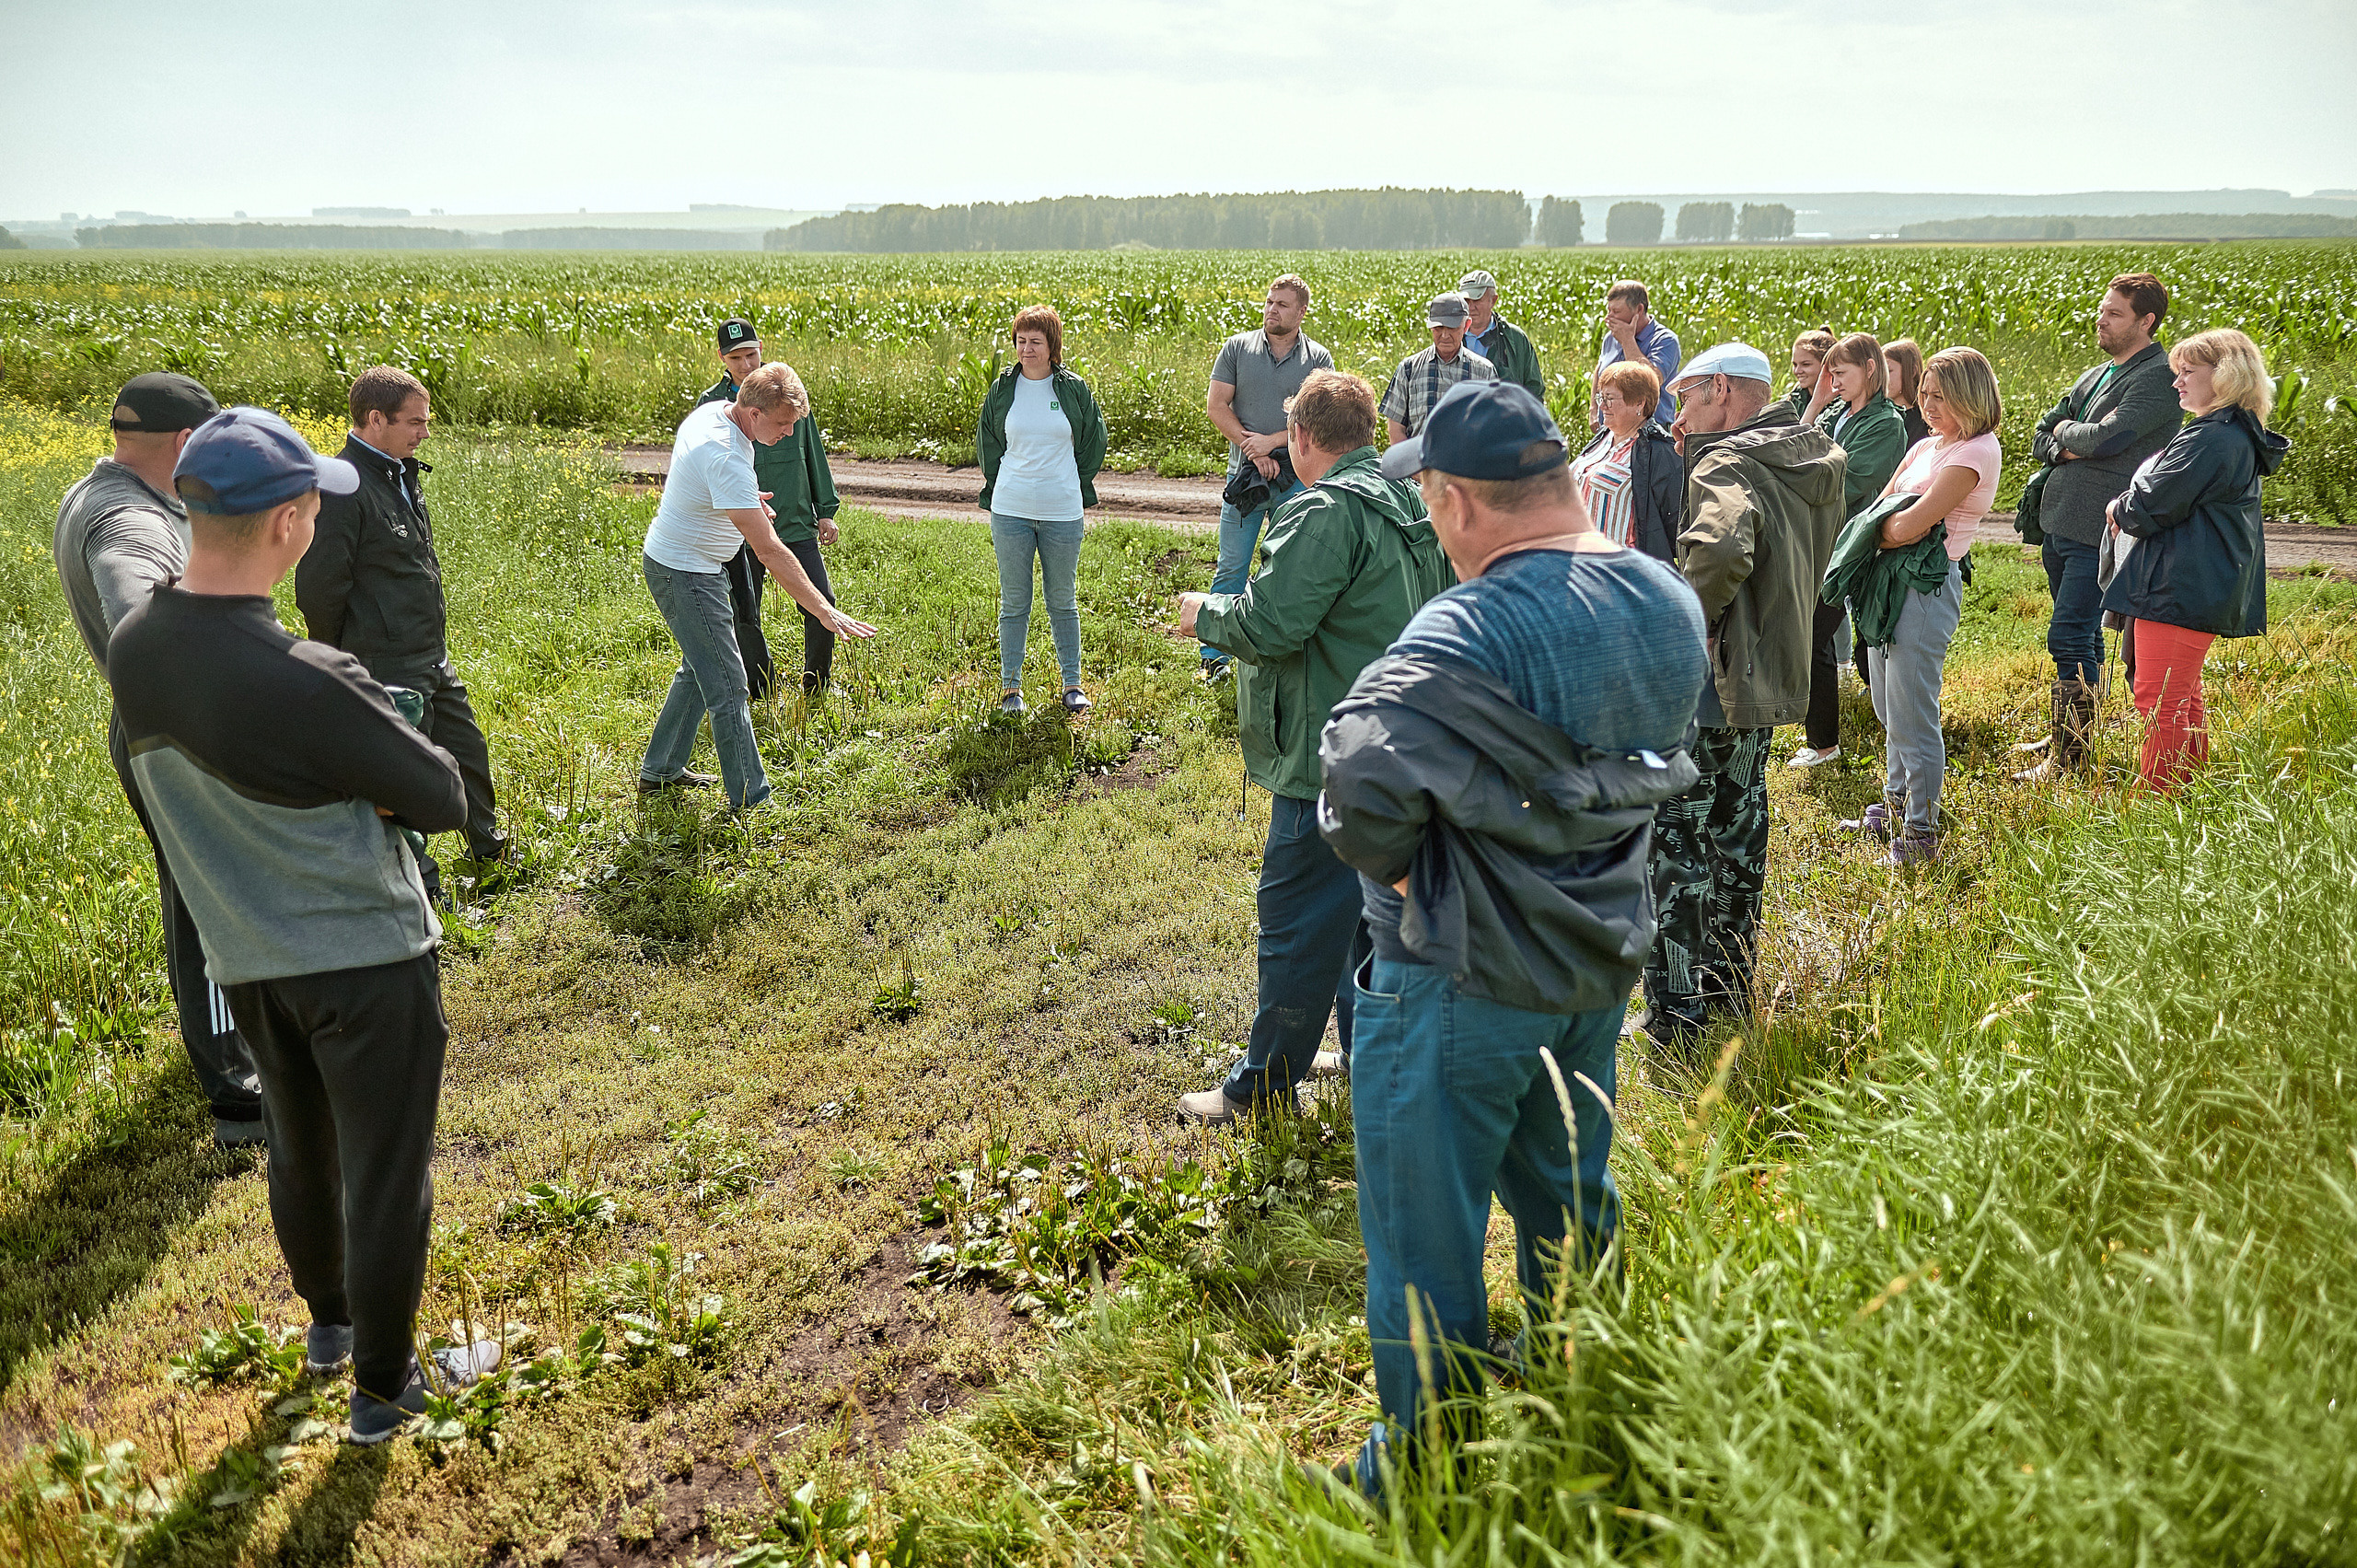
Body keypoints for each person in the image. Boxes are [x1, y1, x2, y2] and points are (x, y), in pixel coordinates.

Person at [1317, 380, 1707, 1498]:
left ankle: (1426, 1469)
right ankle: (1579, 1394)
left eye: (1433, 503)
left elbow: (1360, 775)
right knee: (1570, 1195)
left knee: (1425, 1233)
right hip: (1594, 958)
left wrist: (1399, 872)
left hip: (1458, 974)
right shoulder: (1664, 598)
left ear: (1455, 500)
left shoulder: (1465, 624)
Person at [110, 406, 503, 1444]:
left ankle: (330, 1329)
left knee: (300, 1144)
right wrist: (357, 790)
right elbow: (444, 795)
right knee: (385, 1168)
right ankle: (386, 1387)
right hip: (366, 959)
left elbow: (161, 786)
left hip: (248, 957)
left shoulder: (136, 648)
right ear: (289, 523)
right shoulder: (311, 676)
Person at [1174, 370, 1453, 1125]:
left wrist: (1205, 613)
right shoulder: (1404, 496)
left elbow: (1270, 624)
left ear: (1300, 436)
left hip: (1325, 755)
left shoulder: (1323, 509)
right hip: (1395, 742)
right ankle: (1370, 1057)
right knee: (1368, 918)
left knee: (1297, 925)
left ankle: (1260, 1088)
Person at [52, 371, 264, 1147]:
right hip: (175, 730)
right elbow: (134, 606)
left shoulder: (92, 490)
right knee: (207, 899)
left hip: (153, 722)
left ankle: (233, 1046)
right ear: (183, 444)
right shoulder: (130, 522)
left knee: (204, 888)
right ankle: (238, 1092)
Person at [1641, 343, 1844, 1044]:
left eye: (1686, 400)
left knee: (1676, 841)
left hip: (1708, 681)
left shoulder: (1726, 462)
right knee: (1740, 833)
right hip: (1767, 677)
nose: (1677, 421)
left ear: (1722, 389)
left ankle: (1675, 1012)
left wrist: (1680, 621)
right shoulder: (1811, 452)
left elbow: (1724, 550)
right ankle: (1730, 995)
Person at [296, 366, 509, 905]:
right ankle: (425, 889)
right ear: (375, 419)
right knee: (406, 778)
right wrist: (345, 661)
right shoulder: (343, 487)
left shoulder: (399, 473)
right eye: (414, 422)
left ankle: (492, 856)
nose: (425, 432)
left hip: (430, 655)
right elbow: (319, 588)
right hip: (383, 663)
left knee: (467, 754)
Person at [640, 364, 878, 807]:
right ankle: (753, 801)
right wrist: (823, 609)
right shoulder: (727, 455)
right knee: (730, 685)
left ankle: (661, 769)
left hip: (685, 560)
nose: (789, 434)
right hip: (686, 571)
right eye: (784, 424)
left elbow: (706, 481)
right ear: (752, 413)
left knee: (700, 665)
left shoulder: (716, 414)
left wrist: (745, 499)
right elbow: (769, 551)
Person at [2101, 330, 2285, 792]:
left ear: (2224, 376)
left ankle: (2156, 803)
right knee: (2183, 698)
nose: (2177, 383)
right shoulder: (2232, 433)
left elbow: (2149, 508)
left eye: (2188, 372)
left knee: (2158, 698)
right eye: (2177, 372)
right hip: (2195, 584)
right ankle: (2190, 793)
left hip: (2177, 586)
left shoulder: (2210, 439)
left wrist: (2118, 506)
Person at [2016, 273, 2182, 781]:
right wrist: (2065, 439)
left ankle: (2069, 758)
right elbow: (2042, 428)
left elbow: (2108, 439)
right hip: (2062, 522)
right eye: (2102, 309)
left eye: (2114, 313)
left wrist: (2066, 436)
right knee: (2083, 636)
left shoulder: (2156, 377)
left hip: (2103, 528)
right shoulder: (2096, 374)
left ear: (2146, 321)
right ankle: (2075, 733)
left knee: (2067, 634)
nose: (2101, 319)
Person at [1845, 348, 2004, 865]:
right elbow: (1883, 507)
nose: (1927, 405)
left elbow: (1908, 524)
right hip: (1887, 585)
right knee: (1888, 705)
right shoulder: (1925, 448)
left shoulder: (1974, 453)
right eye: (1925, 394)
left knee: (1914, 712)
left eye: (1941, 396)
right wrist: (1884, 529)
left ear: (1970, 396)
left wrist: (1879, 533)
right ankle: (1893, 804)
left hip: (1926, 588)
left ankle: (1920, 830)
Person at [696, 318, 844, 700]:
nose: (745, 364)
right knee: (745, 613)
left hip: (793, 519)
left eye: (751, 354)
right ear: (722, 358)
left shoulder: (786, 390)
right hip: (740, 528)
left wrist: (824, 509)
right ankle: (761, 689)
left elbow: (812, 450)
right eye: (736, 357)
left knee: (821, 601)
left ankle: (816, 685)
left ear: (762, 347)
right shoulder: (712, 403)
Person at [977, 306, 1109, 714]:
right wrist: (1007, 482)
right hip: (1011, 509)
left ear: (1053, 347)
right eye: (1020, 341)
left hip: (1062, 511)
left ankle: (1072, 684)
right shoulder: (1003, 390)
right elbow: (988, 445)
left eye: (1035, 341)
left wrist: (1070, 479)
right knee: (1015, 601)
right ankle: (1011, 689)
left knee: (1062, 600)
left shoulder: (1072, 390)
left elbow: (1093, 443)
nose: (1026, 349)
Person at [1202, 275, 1334, 681]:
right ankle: (1216, 657)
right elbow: (1216, 406)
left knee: (1289, 567)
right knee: (1232, 565)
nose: (1271, 309)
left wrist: (1273, 443)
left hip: (1297, 477)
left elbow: (1318, 417)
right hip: (1244, 476)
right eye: (1269, 302)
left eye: (1281, 304)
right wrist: (1252, 449)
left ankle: (1279, 652)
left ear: (1301, 311)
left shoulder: (1319, 359)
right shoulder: (1237, 348)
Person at [1791, 332, 1909, 769]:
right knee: (1840, 642)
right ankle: (1837, 736)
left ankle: (1827, 743)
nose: (1833, 381)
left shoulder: (1884, 423)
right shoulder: (1837, 413)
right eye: (1830, 374)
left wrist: (1805, 471)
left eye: (1841, 373)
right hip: (1822, 540)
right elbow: (1798, 446)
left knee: (1823, 636)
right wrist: (1818, 402)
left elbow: (1847, 480)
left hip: (1854, 545)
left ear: (1870, 370)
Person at [1568, 360, 1680, 560]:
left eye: (1609, 398)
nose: (1601, 405)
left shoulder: (1661, 452)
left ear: (1639, 402)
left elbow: (1675, 525)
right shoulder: (1604, 437)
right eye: (1600, 397)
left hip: (1619, 572)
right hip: (1579, 562)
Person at [1381, 294, 1496, 444]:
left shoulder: (1484, 371)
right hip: (1419, 464)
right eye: (1438, 328)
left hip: (1466, 465)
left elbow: (1492, 428)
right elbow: (1396, 428)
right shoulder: (1408, 369)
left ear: (1466, 326)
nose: (1445, 335)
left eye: (1452, 328)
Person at [1594, 280, 1679, 427]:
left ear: (1639, 310)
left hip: (1650, 434)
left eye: (1616, 312)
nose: (1609, 318)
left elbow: (1651, 380)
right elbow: (1600, 370)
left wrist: (1627, 340)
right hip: (1610, 431)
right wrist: (1593, 410)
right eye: (1609, 310)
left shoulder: (1665, 340)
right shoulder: (1610, 337)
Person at [1457, 270, 1545, 402]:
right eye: (1466, 301)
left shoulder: (1515, 338)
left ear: (1493, 300)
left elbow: (1534, 389)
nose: (1471, 307)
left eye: (1477, 299)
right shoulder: (1450, 337)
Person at [1767, 328, 1837, 425]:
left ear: (1827, 365)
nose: (1797, 371)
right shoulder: (1794, 398)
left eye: (1806, 364)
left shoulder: (1840, 402)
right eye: (1795, 364)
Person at [1884, 339, 1933, 450]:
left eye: (1888, 371)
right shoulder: (1878, 413)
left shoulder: (1926, 419)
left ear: (1911, 371)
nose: (1882, 378)